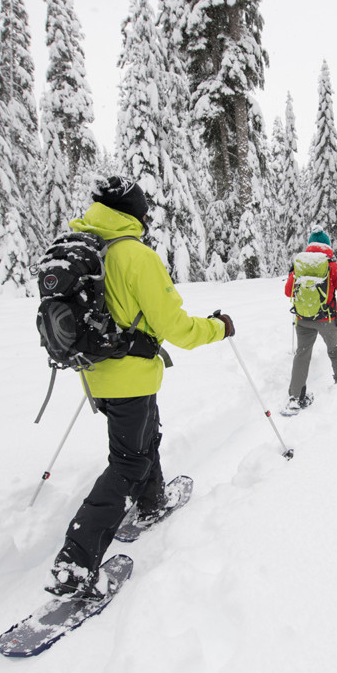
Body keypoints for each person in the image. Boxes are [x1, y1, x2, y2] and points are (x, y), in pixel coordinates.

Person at [46, 176, 234, 599]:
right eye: (144, 212)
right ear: (132, 214)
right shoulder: (136, 256)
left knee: (145, 437)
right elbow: (178, 329)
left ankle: (151, 503)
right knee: (128, 462)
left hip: (96, 374)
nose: (147, 219)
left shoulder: (86, 247)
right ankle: (74, 563)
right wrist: (219, 328)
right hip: (129, 375)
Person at [283, 229, 337, 415]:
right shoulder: (331, 266)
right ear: (327, 246)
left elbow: (288, 292)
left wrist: (292, 275)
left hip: (302, 319)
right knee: (334, 350)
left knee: (302, 355)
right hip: (327, 318)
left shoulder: (299, 266)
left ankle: (295, 397)